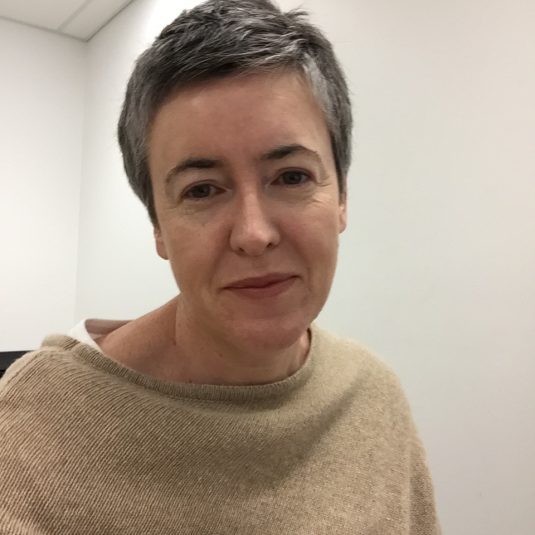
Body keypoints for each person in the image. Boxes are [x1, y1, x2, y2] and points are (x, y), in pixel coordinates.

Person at [0, 0, 441, 533]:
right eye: (202, 190)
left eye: (292, 177)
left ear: (342, 198)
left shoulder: (372, 395)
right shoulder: (34, 425)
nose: (254, 234)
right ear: (158, 228)